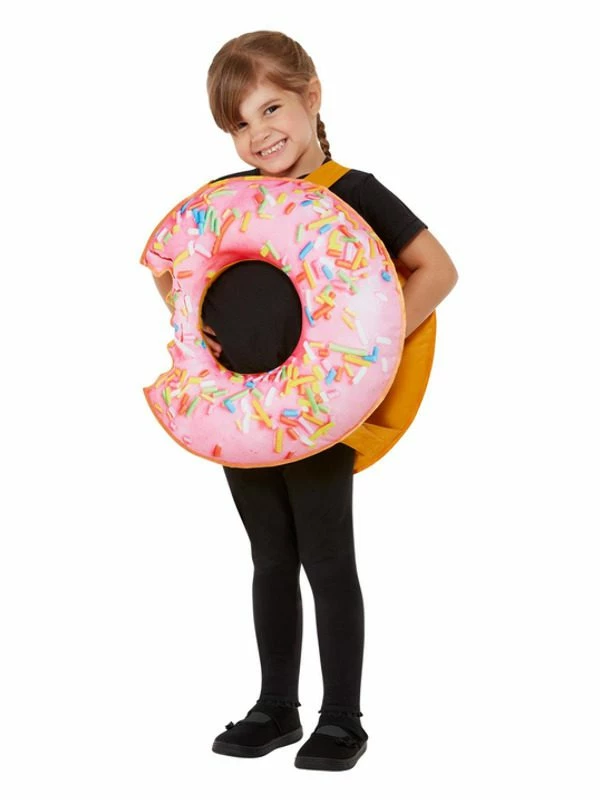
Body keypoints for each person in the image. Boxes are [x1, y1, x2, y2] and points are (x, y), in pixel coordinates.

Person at [152, 30, 458, 771]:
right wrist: (195, 325)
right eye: (239, 123)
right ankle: (275, 707)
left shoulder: (353, 192)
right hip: (244, 410)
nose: (259, 134)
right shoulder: (232, 200)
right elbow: (171, 265)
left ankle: (342, 718)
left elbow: (437, 269)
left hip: (320, 410)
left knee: (326, 557)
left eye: (271, 108)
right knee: (269, 557)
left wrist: (368, 343)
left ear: (311, 96)